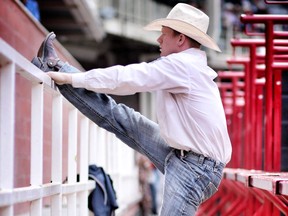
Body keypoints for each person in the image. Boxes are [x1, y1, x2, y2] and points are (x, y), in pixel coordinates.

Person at [32, 3, 232, 215]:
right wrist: (70, 78)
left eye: (164, 34)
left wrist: (74, 78)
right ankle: (55, 66)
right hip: (187, 157)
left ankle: (58, 69)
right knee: (123, 118)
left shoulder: (182, 66)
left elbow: (128, 78)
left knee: (123, 118)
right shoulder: (188, 66)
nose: (159, 39)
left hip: (195, 167)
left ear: (181, 39)